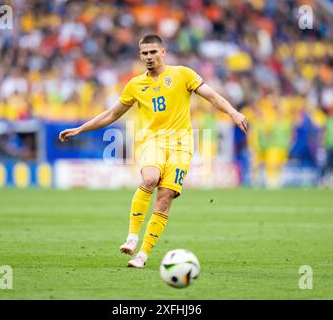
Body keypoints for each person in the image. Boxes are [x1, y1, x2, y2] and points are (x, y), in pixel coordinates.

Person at [58, 34, 248, 268]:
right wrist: (80, 129)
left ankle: (143, 255)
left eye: (153, 52)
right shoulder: (135, 85)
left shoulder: (183, 74)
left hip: (182, 145)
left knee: (165, 197)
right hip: (152, 142)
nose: (149, 57)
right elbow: (111, 114)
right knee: (149, 178)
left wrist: (233, 113)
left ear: (163, 52)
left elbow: (212, 96)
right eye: (144, 53)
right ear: (140, 56)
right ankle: (131, 237)